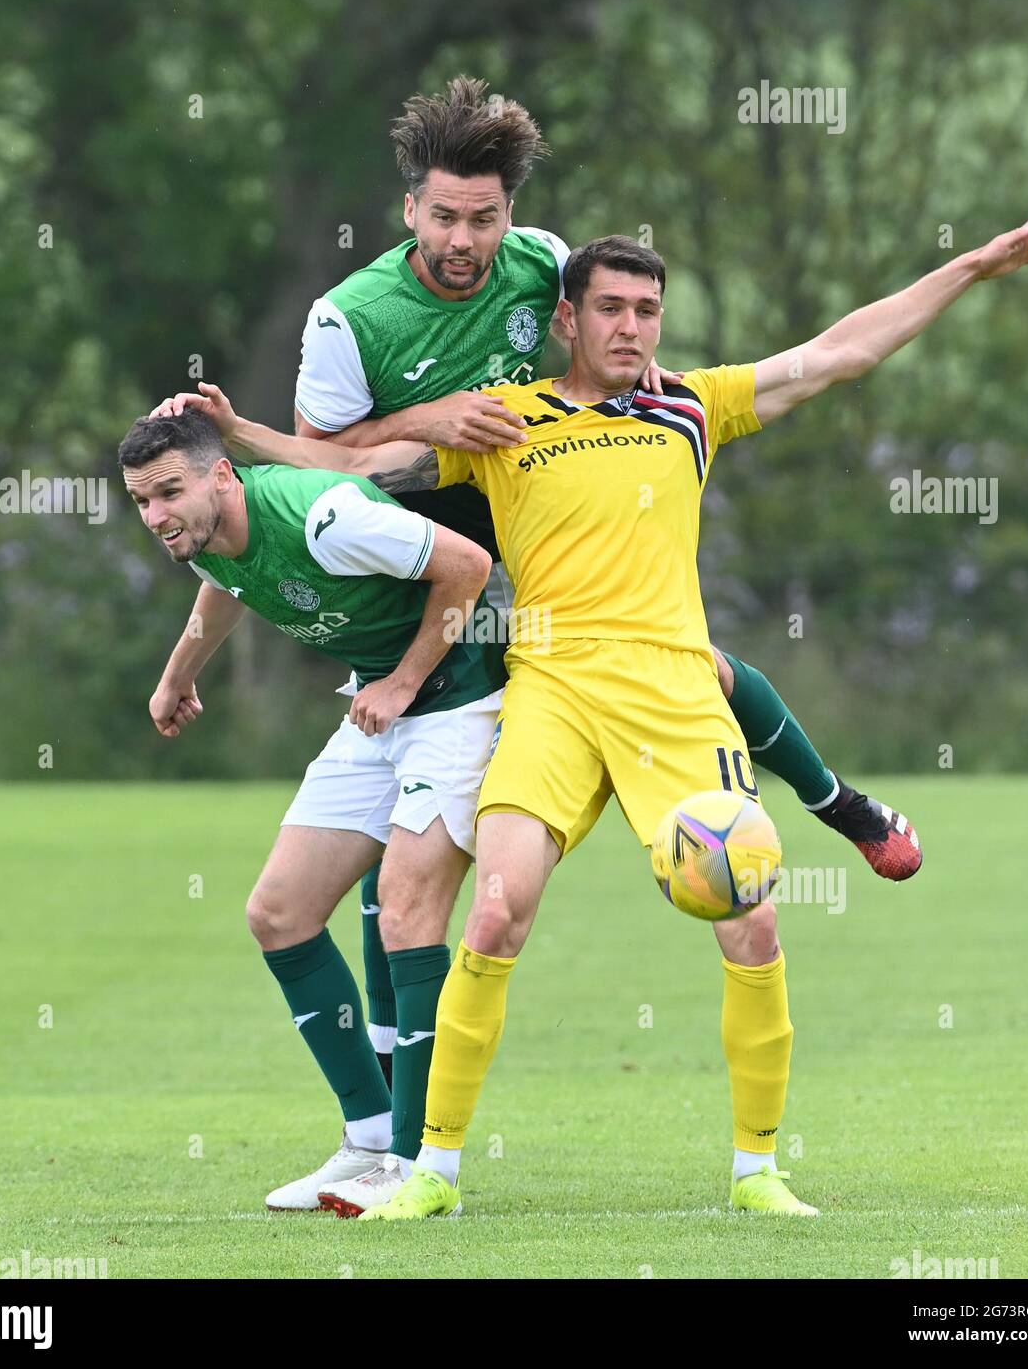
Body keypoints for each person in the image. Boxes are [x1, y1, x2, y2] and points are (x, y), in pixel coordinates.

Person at [153, 76, 925, 1209]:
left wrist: (629, 392)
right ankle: (396, 1149)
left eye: (486, 218)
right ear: (407, 207)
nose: (466, 241)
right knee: (361, 899)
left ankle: (837, 817)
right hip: (424, 577)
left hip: (525, 571)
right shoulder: (346, 318)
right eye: (444, 216)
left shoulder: (551, 274)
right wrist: (421, 436)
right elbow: (331, 476)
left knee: (678, 670)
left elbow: (658, 344)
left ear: (513, 219)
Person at [118, 406, 504, 1214]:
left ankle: (421, 1166)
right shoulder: (213, 535)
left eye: (168, 493)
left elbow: (468, 567)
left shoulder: (327, 517)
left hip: (460, 704)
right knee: (279, 913)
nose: (155, 516)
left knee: (404, 914)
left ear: (222, 473)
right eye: (141, 501)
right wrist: (179, 674)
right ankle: (366, 1139)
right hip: (377, 710)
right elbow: (222, 588)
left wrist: (401, 683)